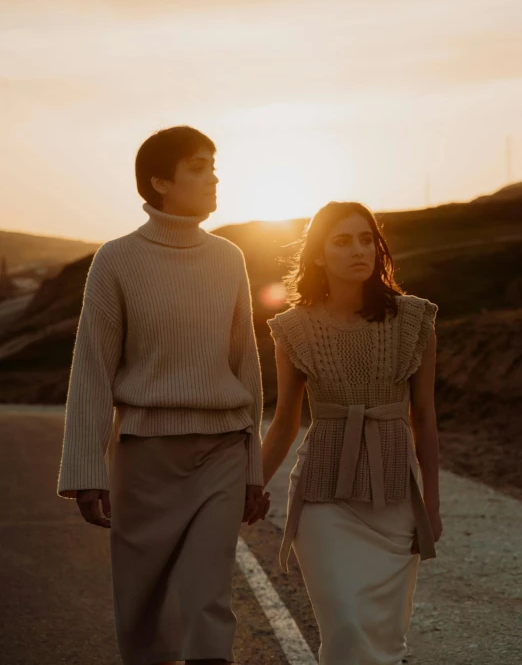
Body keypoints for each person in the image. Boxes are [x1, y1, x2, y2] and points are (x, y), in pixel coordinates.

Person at [57, 126, 269, 665]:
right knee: (142, 609)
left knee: (207, 600)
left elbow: (247, 367)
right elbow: (92, 370)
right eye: (198, 167)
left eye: (213, 164)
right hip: (143, 458)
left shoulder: (229, 259)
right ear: (160, 181)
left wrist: (252, 468)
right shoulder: (116, 260)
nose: (213, 176)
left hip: (220, 452)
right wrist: (85, 471)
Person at [260, 201, 442, 665]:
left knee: (382, 638)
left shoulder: (414, 319)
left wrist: (432, 508)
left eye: (366, 239)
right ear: (318, 254)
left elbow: (424, 417)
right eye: (342, 241)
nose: (358, 250)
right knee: (344, 629)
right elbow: (284, 421)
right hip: (323, 497)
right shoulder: (294, 329)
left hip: (394, 499)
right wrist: (249, 485)